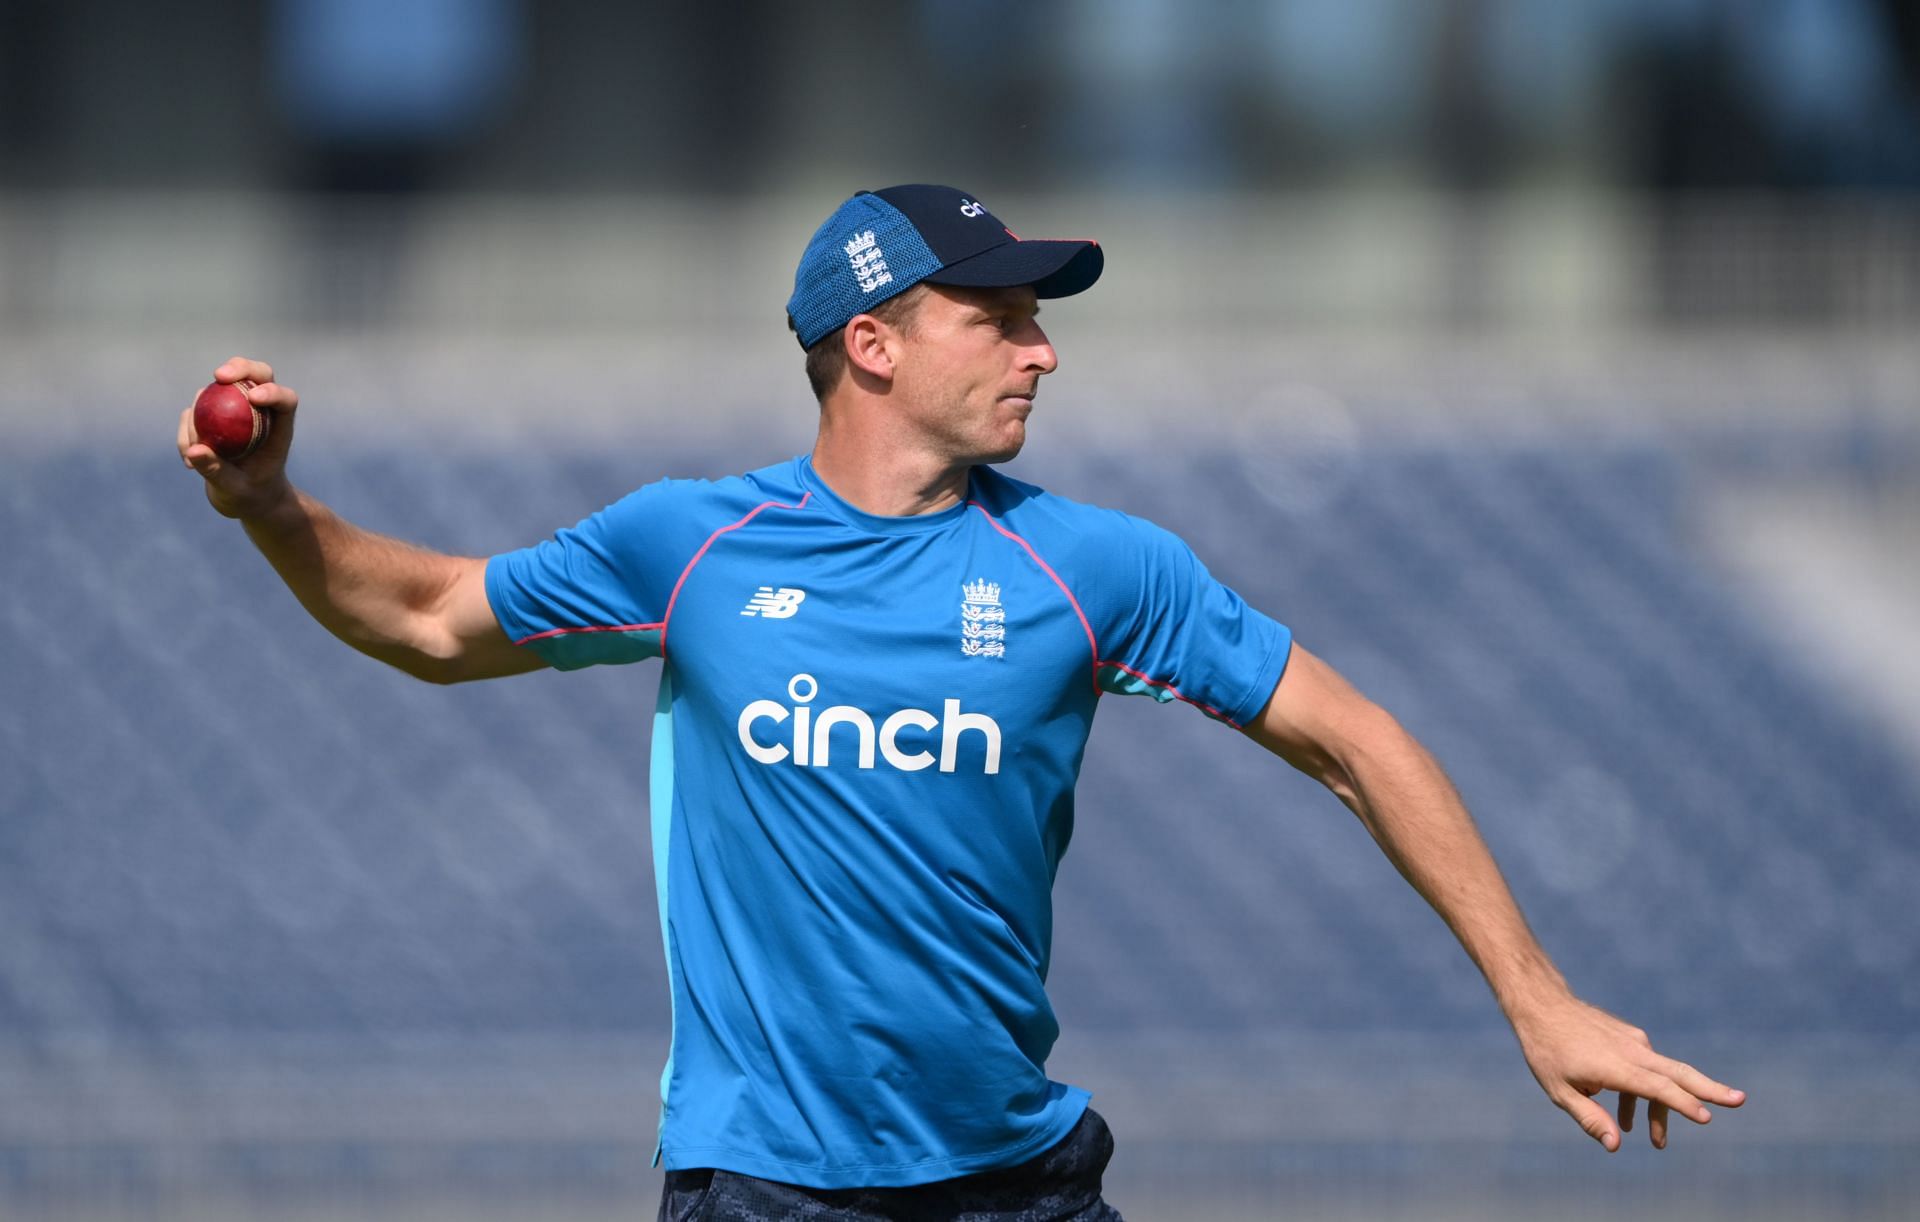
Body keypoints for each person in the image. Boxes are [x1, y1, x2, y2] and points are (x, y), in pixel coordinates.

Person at [177, 183, 1745, 1220]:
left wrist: (1533, 992)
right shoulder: (697, 544)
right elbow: (435, 615)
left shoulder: (1097, 567)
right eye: (998, 319)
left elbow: (1355, 736)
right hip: (765, 1191)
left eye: (1039, 319)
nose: (1043, 353)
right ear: (871, 343)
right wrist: (273, 507)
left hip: (1020, 1180)